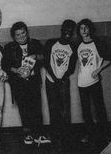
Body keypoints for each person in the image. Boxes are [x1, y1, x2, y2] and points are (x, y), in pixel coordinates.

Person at [3, 21, 50, 145]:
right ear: (14, 37)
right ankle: (27, 134)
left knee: (36, 107)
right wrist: (15, 70)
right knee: (24, 108)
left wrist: (36, 56)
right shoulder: (9, 47)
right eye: (18, 35)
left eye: (23, 33)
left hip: (33, 81)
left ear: (27, 32)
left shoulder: (35, 43)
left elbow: (46, 56)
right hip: (19, 82)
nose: (21, 36)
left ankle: (39, 134)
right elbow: (5, 65)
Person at [76, 18, 111, 144]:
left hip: (94, 81)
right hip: (81, 82)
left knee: (99, 109)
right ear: (79, 30)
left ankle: (106, 135)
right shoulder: (79, 45)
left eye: (86, 27)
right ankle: (89, 134)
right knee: (86, 111)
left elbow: (108, 58)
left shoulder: (97, 43)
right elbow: (80, 63)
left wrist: (98, 70)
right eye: (81, 28)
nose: (84, 30)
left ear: (90, 29)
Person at [44, 19, 77, 149]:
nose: (67, 33)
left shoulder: (72, 47)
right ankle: (54, 135)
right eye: (65, 30)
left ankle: (65, 136)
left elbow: (72, 68)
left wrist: (62, 78)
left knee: (64, 109)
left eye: (70, 31)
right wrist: (54, 77)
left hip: (63, 81)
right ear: (61, 30)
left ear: (72, 32)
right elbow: (46, 62)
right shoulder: (51, 43)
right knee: (53, 108)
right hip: (51, 80)